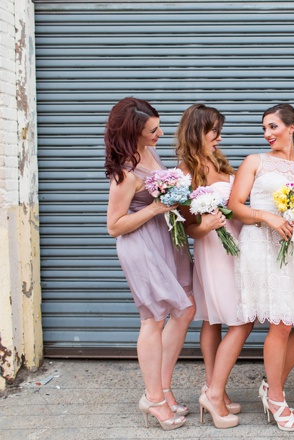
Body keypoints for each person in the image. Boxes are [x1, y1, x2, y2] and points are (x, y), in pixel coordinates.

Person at [104, 97, 194, 431]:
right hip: (141, 244)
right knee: (154, 318)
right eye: (152, 130)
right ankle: (153, 398)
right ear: (133, 133)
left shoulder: (150, 152)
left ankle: (164, 388)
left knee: (185, 310)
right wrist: (155, 209)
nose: (160, 133)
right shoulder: (125, 173)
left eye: (158, 126)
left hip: (167, 238)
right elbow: (114, 225)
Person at [227, 103, 294, 432]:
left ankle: (270, 384)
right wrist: (267, 216)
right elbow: (236, 207)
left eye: (274, 127)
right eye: (265, 128)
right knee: (280, 323)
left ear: (292, 128)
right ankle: (277, 399)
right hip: (261, 245)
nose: (268, 134)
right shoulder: (256, 161)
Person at [175, 104, 252, 429]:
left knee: (214, 320)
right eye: (213, 131)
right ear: (197, 132)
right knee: (238, 319)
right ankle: (214, 393)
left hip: (236, 245)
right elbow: (187, 226)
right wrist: (205, 226)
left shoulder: (219, 161)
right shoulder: (185, 172)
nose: (218, 137)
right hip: (213, 250)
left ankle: (214, 390)